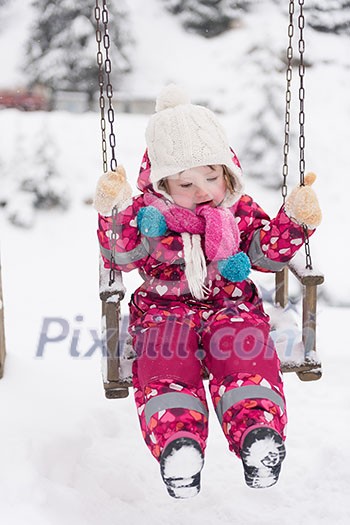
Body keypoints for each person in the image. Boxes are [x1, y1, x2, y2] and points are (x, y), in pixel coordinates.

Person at [93, 84, 322, 499]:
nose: (202, 191)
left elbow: (266, 255)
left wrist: (294, 222)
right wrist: (115, 211)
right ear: (161, 184)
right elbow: (121, 256)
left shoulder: (237, 209)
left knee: (244, 353)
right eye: (185, 183)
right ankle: (178, 448)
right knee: (165, 364)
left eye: (211, 176)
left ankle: (258, 435)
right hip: (163, 309)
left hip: (231, 305)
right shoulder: (149, 217)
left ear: (227, 170)